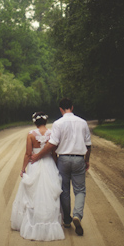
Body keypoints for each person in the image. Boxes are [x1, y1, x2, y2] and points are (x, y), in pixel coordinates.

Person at [31, 98, 92, 236]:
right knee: (80, 190)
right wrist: (86, 160)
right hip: (78, 159)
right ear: (72, 107)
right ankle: (77, 215)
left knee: (64, 190)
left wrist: (38, 155)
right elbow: (88, 145)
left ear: (60, 109)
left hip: (63, 159)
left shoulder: (58, 124)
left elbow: (52, 144)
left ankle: (67, 220)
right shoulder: (82, 123)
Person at [10, 112, 64, 241]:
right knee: (50, 193)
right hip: (49, 163)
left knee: (33, 194)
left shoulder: (30, 135)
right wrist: (56, 165)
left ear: (35, 122)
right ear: (45, 121)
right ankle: (50, 220)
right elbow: (54, 152)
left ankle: (33, 221)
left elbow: (28, 154)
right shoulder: (51, 133)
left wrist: (23, 168)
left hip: (35, 164)